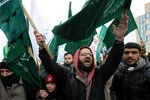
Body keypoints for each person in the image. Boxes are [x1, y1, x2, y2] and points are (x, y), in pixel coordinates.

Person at [35, 13, 128, 100]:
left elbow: (113, 61)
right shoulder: (67, 75)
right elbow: (50, 66)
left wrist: (119, 40)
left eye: (90, 54)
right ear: (76, 59)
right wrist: (42, 48)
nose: (88, 56)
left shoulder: (99, 75)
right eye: (83, 54)